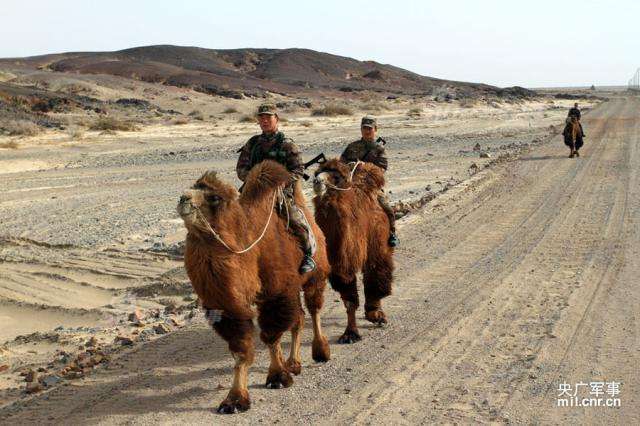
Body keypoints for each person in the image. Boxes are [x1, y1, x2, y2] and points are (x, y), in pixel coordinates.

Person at [236, 103, 317, 273]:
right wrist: (252, 178)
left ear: (276, 119)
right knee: (232, 214)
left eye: (268, 117)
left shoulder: (287, 144)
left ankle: (308, 254)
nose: (265, 121)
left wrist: (283, 181)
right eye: (261, 118)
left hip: (280, 191)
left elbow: (298, 170)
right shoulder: (252, 143)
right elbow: (241, 168)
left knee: (294, 217)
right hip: (253, 190)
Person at [340, 116, 399, 247]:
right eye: (364, 128)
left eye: (370, 129)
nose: (367, 131)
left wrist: (365, 167)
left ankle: (392, 233)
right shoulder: (352, 147)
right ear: (361, 129)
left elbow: (382, 168)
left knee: (386, 207)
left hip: (371, 186)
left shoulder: (379, 149)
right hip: (351, 185)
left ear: (375, 129)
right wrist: (349, 166)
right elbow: (341, 163)